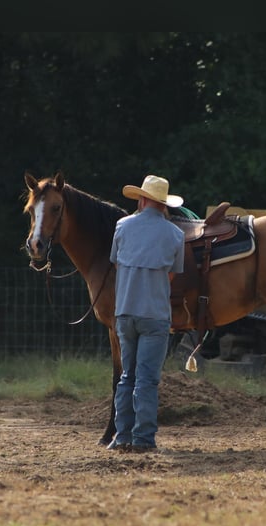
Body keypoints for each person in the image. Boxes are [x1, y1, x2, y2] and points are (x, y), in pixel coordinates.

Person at [107, 175, 185, 453]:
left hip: (125, 312)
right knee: (147, 379)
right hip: (155, 314)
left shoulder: (122, 226)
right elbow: (173, 275)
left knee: (127, 375)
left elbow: (117, 264)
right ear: (163, 205)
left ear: (141, 199)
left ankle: (122, 436)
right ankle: (144, 438)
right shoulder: (176, 235)